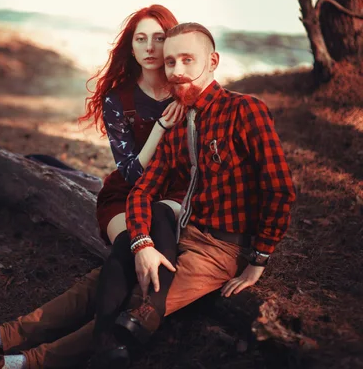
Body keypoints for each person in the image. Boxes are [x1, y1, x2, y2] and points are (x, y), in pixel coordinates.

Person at [0, 5, 186, 369]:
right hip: (127, 195)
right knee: (129, 249)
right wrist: (159, 128)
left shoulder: (187, 92)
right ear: (130, 48)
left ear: (171, 43)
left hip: (171, 201)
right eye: (140, 39)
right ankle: (7, 347)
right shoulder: (120, 100)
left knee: (118, 270)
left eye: (158, 39)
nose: (149, 47)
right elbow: (130, 172)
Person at [116, 22, 297, 350]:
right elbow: (142, 190)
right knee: (98, 285)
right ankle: (2, 338)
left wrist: (258, 260)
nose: (177, 70)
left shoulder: (243, 110)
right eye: (170, 62)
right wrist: (142, 244)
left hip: (222, 249)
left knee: (128, 309)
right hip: (181, 235)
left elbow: (279, 188)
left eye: (187, 60)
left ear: (212, 61)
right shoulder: (177, 122)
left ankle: (30, 360)